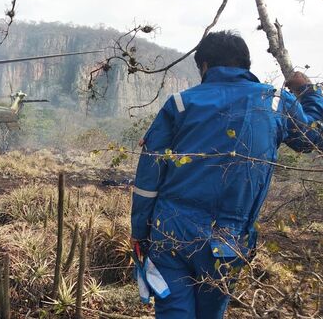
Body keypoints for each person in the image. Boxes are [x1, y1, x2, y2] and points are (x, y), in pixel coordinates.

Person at [130, 30, 323, 319]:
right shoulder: (276, 103)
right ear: (246, 64)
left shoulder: (181, 104)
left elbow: (148, 177)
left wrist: (139, 234)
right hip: (227, 241)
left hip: (169, 232)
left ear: (205, 66)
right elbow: (312, 138)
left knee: (174, 312)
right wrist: (309, 93)